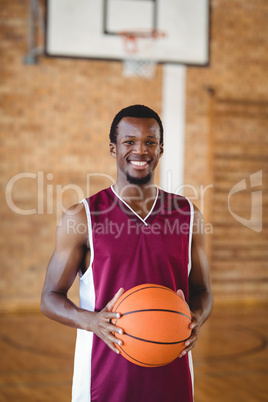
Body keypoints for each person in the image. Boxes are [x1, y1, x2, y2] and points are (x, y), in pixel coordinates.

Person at [41, 104, 213, 402]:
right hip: (103, 375)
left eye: (150, 142)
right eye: (129, 141)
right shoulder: (82, 217)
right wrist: (91, 321)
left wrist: (195, 316)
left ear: (160, 149)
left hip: (172, 368)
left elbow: (202, 290)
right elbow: (49, 297)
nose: (140, 150)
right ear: (113, 148)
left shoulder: (188, 214)